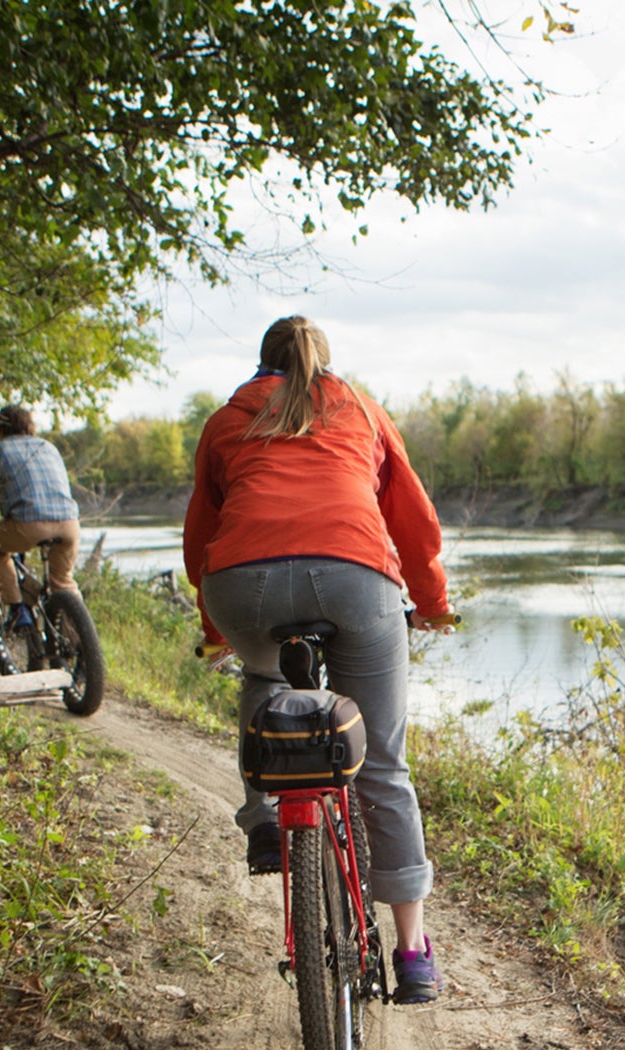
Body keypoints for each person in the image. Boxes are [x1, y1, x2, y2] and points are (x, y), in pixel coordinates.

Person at [182, 315, 454, 1004]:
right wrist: (431, 601)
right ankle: (413, 953)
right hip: (357, 577)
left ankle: (267, 823)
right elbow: (413, 517)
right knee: (385, 764)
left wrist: (219, 626)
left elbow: (203, 536)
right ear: (324, 364)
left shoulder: (226, 419)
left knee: (264, 674)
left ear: (260, 363)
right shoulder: (359, 406)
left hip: (245, 583)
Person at [0, 404, 80, 631]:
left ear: (0, 431)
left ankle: (17, 609)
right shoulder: (49, 448)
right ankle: (84, 649)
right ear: (29, 426)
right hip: (69, 523)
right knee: (63, 582)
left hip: (28, 525)